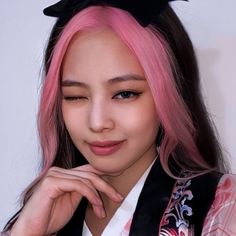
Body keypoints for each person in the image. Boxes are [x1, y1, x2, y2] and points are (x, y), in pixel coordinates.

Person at [2, 0, 236, 235]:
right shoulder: (41, 216)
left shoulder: (224, 208)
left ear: (169, 96)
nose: (98, 122)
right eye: (75, 96)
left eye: (125, 94)